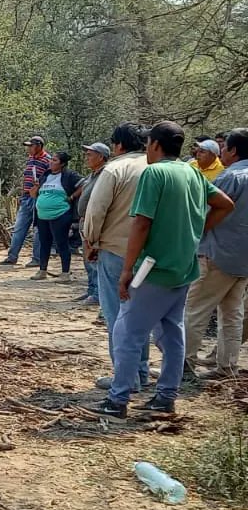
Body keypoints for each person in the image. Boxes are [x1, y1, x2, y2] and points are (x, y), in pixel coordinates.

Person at [92, 121, 234, 418]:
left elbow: (141, 223)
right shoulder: (192, 172)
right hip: (183, 267)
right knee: (172, 333)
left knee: (128, 332)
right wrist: (196, 231)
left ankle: (118, 400)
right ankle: (166, 396)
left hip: (152, 267)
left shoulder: (155, 173)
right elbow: (224, 204)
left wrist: (127, 270)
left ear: (154, 145)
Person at [83, 122, 153, 391]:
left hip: (114, 251)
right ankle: (141, 373)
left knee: (116, 315)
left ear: (118, 145)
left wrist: (90, 241)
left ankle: (124, 377)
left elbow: (96, 210)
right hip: (149, 255)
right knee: (140, 315)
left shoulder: (114, 169)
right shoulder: (156, 168)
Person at [183, 128, 248, 378]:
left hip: (217, 254)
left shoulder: (231, 177)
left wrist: (196, 235)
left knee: (195, 310)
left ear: (232, 150)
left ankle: (183, 364)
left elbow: (207, 211)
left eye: (224, 147)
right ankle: (227, 367)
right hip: (243, 259)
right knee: (232, 314)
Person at [0, 135, 51, 266]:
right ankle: (12, 256)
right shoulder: (30, 159)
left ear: (39, 146)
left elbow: (50, 179)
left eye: (31, 146)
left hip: (39, 198)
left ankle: (37, 259)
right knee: (19, 228)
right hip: (26, 197)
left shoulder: (47, 160)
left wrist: (39, 188)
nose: (29, 149)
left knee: (38, 230)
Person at [30, 152, 81, 282]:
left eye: (55, 160)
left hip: (60, 214)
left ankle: (65, 273)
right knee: (44, 243)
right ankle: (42, 270)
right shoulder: (45, 176)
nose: (51, 162)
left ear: (62, 163)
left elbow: (84, 185)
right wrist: (35, 188)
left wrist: (72, 197)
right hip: (42, 216)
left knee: (61, 243)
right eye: (51, 160)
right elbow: (33, 195)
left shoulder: (69, 176)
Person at [73, 142, 111, 305]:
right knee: (87, 259)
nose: (86, 157)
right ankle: (91, 289)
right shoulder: (92, 175)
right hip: (85, 221)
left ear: (101, 157)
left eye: (90, 154)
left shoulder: (106, 174)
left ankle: (97, 294)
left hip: (95, 222)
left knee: (94, 259)